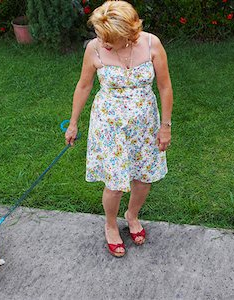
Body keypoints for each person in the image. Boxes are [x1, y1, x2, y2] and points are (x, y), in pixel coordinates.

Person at [65, 0, 173, 257]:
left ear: (128, 36)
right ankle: (111, 225)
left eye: (108, 39)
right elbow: (83, 86)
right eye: (100, 36)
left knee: (143, 177)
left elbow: (165, 86)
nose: (102, 42)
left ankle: (132, 215)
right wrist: (73, 123)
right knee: (114, 184)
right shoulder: (94, 49)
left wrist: (165, 126)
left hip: (145, 124)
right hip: (109, 125)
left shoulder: (151, 44)